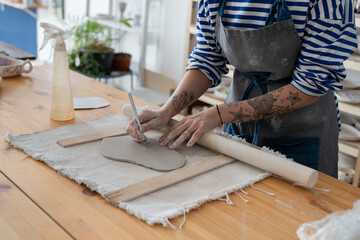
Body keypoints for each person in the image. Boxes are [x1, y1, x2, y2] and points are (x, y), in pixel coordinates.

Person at [127, 0, 358, 178]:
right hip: (239, 130)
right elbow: (208, 58)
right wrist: (166, 111)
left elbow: (310, 85)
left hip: (302, 134)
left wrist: (220, 113)